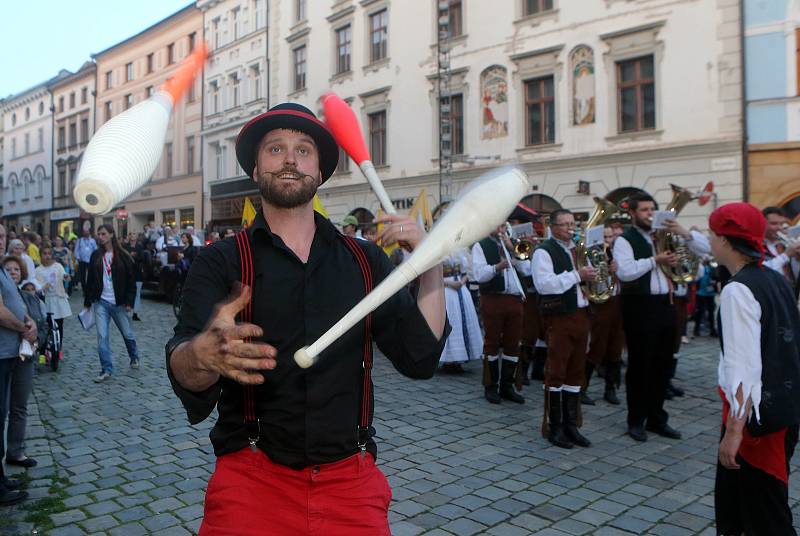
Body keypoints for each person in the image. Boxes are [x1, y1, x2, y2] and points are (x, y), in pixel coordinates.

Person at [165, 102, 447, 535]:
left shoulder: (364, 260)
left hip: (350, 486)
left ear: (320, 171)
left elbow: (419, 357)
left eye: (303, 149)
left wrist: (431, 265)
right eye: (275, 149)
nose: (291, 158)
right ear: (256, 170)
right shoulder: (219, 261)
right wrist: (202, 356)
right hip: (250, 480)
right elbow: (185, 367)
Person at [709, 202, 800, 535]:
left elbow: (742, 365)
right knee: (742, 504)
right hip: (782, 409)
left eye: (712, 234)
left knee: (765, 514)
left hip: (754, 422)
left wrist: (734, 433)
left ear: (725, 240)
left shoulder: (738, 290)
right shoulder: (774, 278)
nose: (710, 240)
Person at [613, 193, 683, 442]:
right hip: (639, 306)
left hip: (665, 304)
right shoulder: (624, 240)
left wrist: (674, 259)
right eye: (644, 210)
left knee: (663, 366)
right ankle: (636, 420)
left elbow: (682, 262)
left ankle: (657, 418)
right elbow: (626, 272)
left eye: (652, 209)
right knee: (640, 365)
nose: (650, 214)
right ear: (632, 213)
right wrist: (656, 259)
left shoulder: (662, 237)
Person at [533, 209, 595, 449]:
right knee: (557, 371)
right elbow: (544, 285)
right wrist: (577, 275)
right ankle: (554, 427)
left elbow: (588, 276)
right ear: (553, 226)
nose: (571, 228)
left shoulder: (578, 249)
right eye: (565, 224)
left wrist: (598, 272)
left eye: (573, 223)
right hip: (559, 317)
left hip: (582, 314)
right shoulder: (543, 251)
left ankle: (571, 425)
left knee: (576, 371)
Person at [0, 225, 37, 506]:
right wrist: (23, 328)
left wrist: (29, 320)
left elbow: (15, 302)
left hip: (11, 351)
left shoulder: (3, 269)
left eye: (1, 235)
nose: (0, 240)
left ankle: (2, 476)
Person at [472, 221, 526, 405]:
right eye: (497, 226)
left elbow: (527, 270)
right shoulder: (481, 245)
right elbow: (479, 275)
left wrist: (513, 251)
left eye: (503, 227)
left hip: (515, 299)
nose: (501, 231)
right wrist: (498, 266)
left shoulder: (514, 244)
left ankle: (507, 386)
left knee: (513, 343)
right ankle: (490, 386)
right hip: (493, 299)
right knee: (492, 342)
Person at [3, 255, 45, 471]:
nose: (12, 272)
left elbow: (37, 321)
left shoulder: (24, 292)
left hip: (24, 353)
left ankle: (16, 451)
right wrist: (23, 328)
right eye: (8, 269)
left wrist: (32, 329)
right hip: (5, 352)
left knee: (19, 404)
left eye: (16, 269)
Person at [83, 225, 140, 382]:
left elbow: (131, 282)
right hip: (101, 302)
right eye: (99, 234)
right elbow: (90, 281)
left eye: (103, 234)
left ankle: (134, 355)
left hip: (119, 303)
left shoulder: (123, 256)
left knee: (127, 333)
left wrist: (129, 302)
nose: (100, 237)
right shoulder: (96, 255)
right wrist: (87, 301)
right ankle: (106, 369)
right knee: (102, 336)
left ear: (111, 235)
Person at [584, 224, 624, 406]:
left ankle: (611, 388)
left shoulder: (616, 254)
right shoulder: (591, 257)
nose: (608, 241)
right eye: (605, 238)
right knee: (597, 346)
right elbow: (593, 284)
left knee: (615, 347)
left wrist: (617, 270)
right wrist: (607, 271)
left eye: (610, 238)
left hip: (617, 302)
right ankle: (582, 387)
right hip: (600, 304)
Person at [439, 248, 482, 372]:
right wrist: (449, 283)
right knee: (449, 321)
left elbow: (468, 270)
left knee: (459, 322)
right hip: (445, 288)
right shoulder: (436, 248)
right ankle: (448, 360)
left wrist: (461, 282)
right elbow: (429, 273)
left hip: (460, 288)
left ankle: (458, 359)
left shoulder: (461, 248)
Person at [34, 245, 72, 349]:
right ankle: (44, 347)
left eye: (49, 253)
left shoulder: (57, 266)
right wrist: (43, 287)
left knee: (59, 324)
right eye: (44, 254)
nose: (47, 256)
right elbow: (35, 287)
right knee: (46, 325)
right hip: (46, 300)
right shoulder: (37, 270)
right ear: (40, 255)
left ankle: (58, 346)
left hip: (58, 298)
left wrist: (66, 277)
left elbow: (65, 277)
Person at [762, 206, 799, 287]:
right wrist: (786, 255)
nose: (779, 228)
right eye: (774, 224)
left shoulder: (783, 245)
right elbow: (763, 271)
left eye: (781, 224)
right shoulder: (757, 246)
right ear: (762, 224)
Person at [76, 228, 97, 294]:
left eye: (87, 232)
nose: (86, 233)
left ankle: (91, 288)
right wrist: (78, 257)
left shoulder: (92, 241)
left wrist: (95, 258)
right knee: (82, 276)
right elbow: (76, 250)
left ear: (89, 232)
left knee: (91, 275)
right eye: (85, 232)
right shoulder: (79, 241)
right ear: (83, 233)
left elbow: (95, 250)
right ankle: (85, 290)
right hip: (82, 261)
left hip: (91, 261)